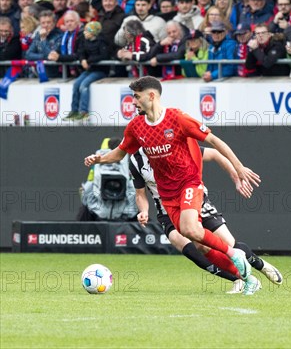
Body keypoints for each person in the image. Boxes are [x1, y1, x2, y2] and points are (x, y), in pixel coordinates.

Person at [83, 76, 261, 291]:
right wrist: (99, 159)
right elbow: (118, 154)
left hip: (189, 183)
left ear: (151, 96)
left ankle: (235, 255)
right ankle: (244, 275)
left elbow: (214, 141)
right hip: (166, 196)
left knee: (189, 228)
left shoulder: (177, 118)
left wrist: (239, 168)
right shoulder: (135, 127)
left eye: (136, 97)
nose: (133, 102)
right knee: (192, 236)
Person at [131, 146, 283, 294]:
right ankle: (241, 279)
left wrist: (236, 177)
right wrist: (143, 211)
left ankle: (260, 264)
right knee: (195, 248)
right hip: (167, 210)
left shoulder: (175, 146)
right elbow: (140, 193)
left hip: (195, 199)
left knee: (229, 243)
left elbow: (215, 153)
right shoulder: (136, 160)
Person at [64, 21, 108, 120]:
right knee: (76, 84)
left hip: (100, 71)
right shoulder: (84, 40)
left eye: (87, 31)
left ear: (93, 32)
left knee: (84, 85)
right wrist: (82, 60)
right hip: (89, 70)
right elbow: (80, 52)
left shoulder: (102, 41)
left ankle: (84, 111)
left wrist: (88, 61)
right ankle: (74, 110)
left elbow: (104, 55)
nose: (84, 33)